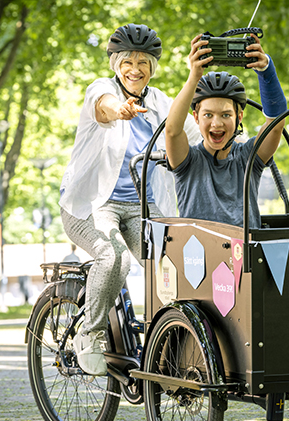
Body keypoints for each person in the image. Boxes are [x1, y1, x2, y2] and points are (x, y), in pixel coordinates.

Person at [59, 24, 200, 376]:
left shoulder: (161, 103)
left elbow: (195, 135)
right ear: (115, 63)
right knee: (114, 258)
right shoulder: (102, 90)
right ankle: (89, 334)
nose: (135, 69)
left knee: (174, 265)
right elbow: (103, 108)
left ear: (153, 68)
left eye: (143, 62)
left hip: (141, 208)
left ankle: (165, 340)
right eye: (127, 61)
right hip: (91, 206)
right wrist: (119, 110)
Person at [164, 33, 287, 228]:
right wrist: (194, 76)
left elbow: (275, 126)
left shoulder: (248, 157)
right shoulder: (187, 161)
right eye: (208, 115)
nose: (217, 124)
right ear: (195, 117)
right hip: (199, 255)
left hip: (244, 254)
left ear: (239, 118)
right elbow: (172, 131)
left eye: (226, 115)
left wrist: (266, 71)